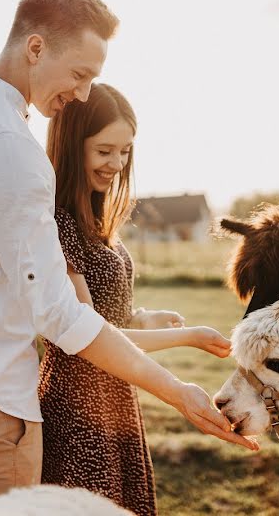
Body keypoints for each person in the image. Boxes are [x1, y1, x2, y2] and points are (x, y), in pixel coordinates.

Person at [0, 0, 257, 497]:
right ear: (35, 47)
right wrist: (177, 391)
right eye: (79, 74)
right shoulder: (8, 147)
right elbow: (60, 315)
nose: (82, 94)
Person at [39, 83, 231, 514]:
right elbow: (87, 332)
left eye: (125, 151)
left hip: (117, 396)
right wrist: (189, 336)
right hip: (78, 407)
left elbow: (109, 312)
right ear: (73, 145)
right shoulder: (57, 221)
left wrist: (143, 318)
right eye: (104, 150)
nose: (117, 164)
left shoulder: (95, 214)